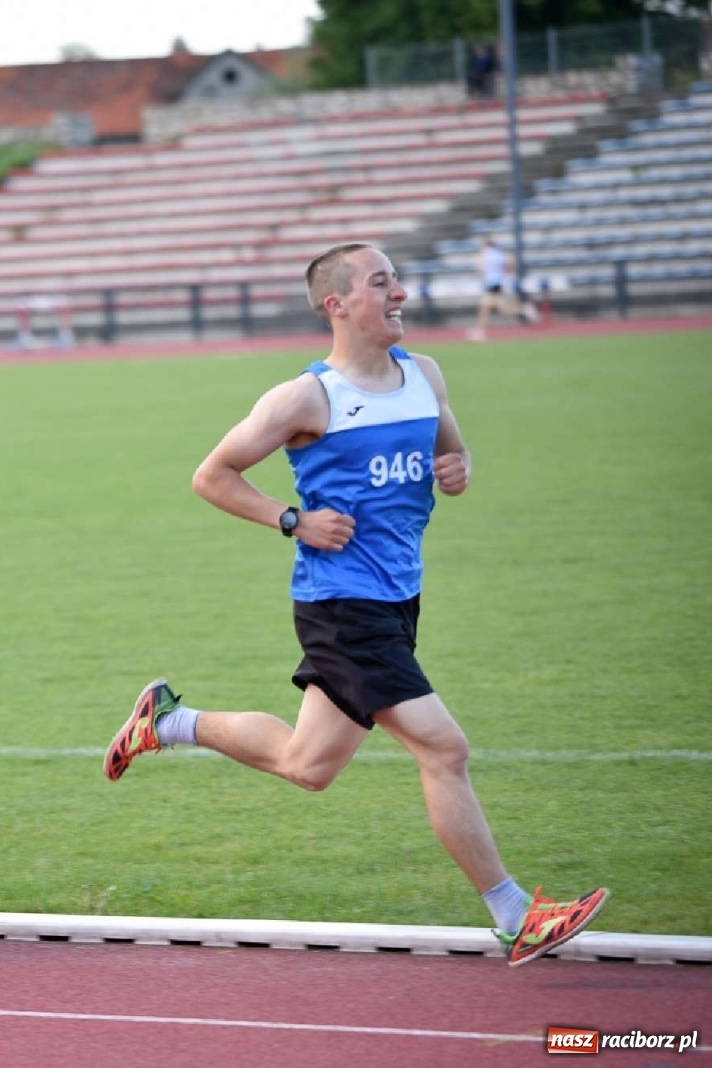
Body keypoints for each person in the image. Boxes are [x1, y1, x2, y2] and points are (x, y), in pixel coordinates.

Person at [103, 242, 607, 967]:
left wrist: (457, 468)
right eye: (381, 283)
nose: (400, 292)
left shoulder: (423, 375)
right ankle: (514, 914)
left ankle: (169, 722)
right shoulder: (306, 399)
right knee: (444, 747)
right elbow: (212, 476)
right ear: (336, 304)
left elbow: (451, 456)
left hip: (399, 597)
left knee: (309, 765)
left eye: (396, 278)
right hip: (343, 605)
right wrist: (291, 519)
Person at [468, 238, 538, 342]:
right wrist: (502, 274)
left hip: (491, 284)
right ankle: (524, 308)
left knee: (485, 308)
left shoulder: (485, 254)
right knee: (499, 309)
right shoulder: (499, 254)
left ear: (487, 246)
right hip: (498, 283)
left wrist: (480, 273)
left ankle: (480, 332)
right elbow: (510, 264)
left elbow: (479, 269)